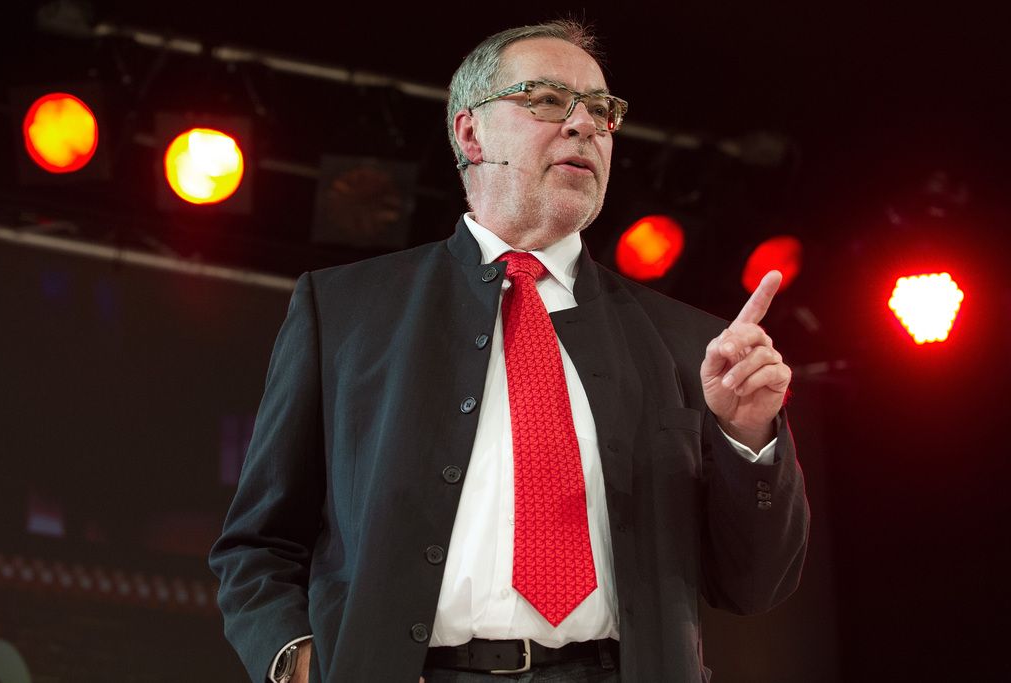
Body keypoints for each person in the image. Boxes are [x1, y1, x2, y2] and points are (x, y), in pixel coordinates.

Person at [209, 19, 809, 683]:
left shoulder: (688, 343)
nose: (584, 124)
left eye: (602, 110)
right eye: (548, 100)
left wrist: (749, 437)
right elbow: (258, 543)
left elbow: (753, 585)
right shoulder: (346, 312)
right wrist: (294, 658)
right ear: (470, 133)